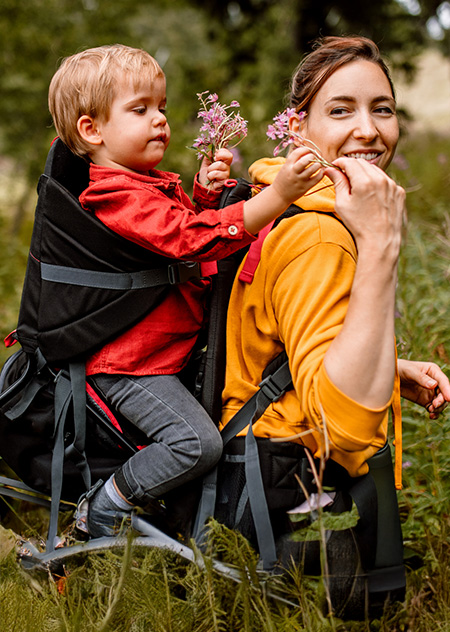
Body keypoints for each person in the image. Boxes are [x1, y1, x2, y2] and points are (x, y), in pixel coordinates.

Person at [47, 44, 326, 537]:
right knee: (197, 444)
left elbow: (177, 227)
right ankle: (104, 506)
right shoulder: (114, 194)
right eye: (140, 110)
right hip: (130, 366)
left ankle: (167, 516)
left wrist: (204, 193)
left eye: (162, 108)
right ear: (91, 130)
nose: (159, 120)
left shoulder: (145, 183)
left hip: (162, 354)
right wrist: (280, 195)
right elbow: (186, 239)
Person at [221, 36, 450, 495]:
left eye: (382, 109)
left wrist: (387, 369)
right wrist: (382, 242)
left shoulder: (274, 201)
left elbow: (279, 342)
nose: (368, 130)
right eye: (341, 111)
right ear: (297, 128)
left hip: (248, 462)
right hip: (287, 495)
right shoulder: (320, 235)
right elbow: (341, 428)